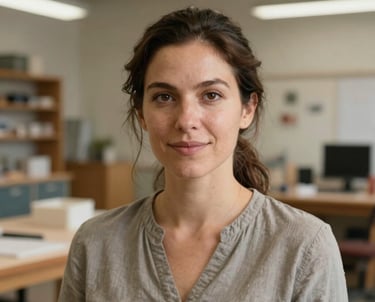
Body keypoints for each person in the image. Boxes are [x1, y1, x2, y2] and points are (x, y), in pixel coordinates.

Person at [58, 7, 348, 302]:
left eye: (211, 95)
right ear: (142, 114)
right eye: (164, 97)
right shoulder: (94, 243)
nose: (186, 119)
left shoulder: (305, 247)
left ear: (247, 109)